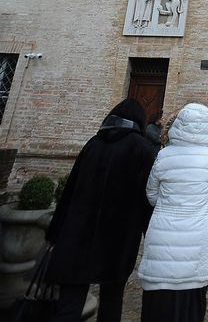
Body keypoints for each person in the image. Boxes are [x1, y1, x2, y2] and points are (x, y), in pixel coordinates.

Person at [45, 98, 157, 322]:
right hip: (117, 239)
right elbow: (147, 200)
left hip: (77, 235)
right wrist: (153, 238)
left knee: (68, 306)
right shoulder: (143, 149)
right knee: (112, 300)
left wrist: (53, 234)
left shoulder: (92, 144)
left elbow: (69, 191)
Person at [137, 102, 208, 322]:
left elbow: (152, 195)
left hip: (162, 235)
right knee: (191, 298)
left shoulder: (163, 155)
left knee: (158, 302)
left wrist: (169, 204)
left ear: (177, 125)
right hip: (196, 236)